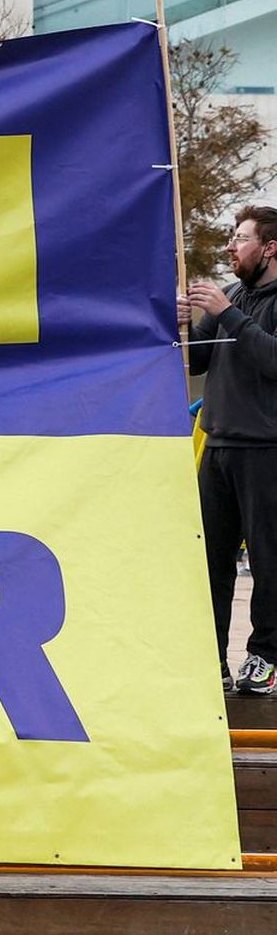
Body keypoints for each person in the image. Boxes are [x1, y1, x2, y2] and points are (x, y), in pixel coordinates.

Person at [181, 204, 277, 696]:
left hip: (266, 450)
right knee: (210, 560)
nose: (230, 247)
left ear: (269, 247)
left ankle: (264, 658)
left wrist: (229, 314)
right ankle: (211, 658)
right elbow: (198, 359)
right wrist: (186, 323)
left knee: (268, 561)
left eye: (240, 238)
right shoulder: (233, 295)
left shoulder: (246, 303)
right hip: (218, 445)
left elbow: (271, 360)